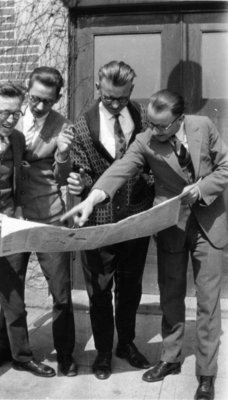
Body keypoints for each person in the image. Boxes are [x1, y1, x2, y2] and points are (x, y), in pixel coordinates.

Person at [62, 89, 228, 399]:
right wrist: (92, 200)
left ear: (179, 120)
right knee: (171, 296)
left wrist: (202, 187)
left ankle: (206, 375)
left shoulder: (203, 125)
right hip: (171, 225)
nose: (152, 130)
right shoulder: (146, 140)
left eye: (160, 126)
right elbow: (119, 170)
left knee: (207, 302)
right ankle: (170, 358)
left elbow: (225, 167)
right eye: (149, 123)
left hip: (208, 224)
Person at [67, 60, 154, 380]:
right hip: (98, 223)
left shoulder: (144, 117)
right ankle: (104, 351)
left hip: (136, 219)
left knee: (130, 288)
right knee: (99, 291)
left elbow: (153, 160)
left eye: (121, 98)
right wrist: (78, 183)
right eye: (108, 98)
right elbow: (79, 169)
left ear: (131, 91)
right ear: (99, 90)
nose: (115, 104)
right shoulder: (82, 125)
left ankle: (126, 344)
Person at [0, 82, 55, 377]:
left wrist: (17, 210)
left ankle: (21, 356)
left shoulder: (18, 139)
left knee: (14, 301)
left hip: (8, 234)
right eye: (4, 113)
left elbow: (18, 181)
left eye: (16, 113)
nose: (10, 119)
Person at [15, 66, 76, 377]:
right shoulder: (10, 116)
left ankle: (65, 354)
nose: (39, 106)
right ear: (27, 90)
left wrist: (63, 154)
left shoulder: (63, 126)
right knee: (10, 289)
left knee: (61, 291)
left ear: (58, 99)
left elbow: (64, 176)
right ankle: (10, 349)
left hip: (49, 213)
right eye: (35, 98)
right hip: (12, 215)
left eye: (47, 102)